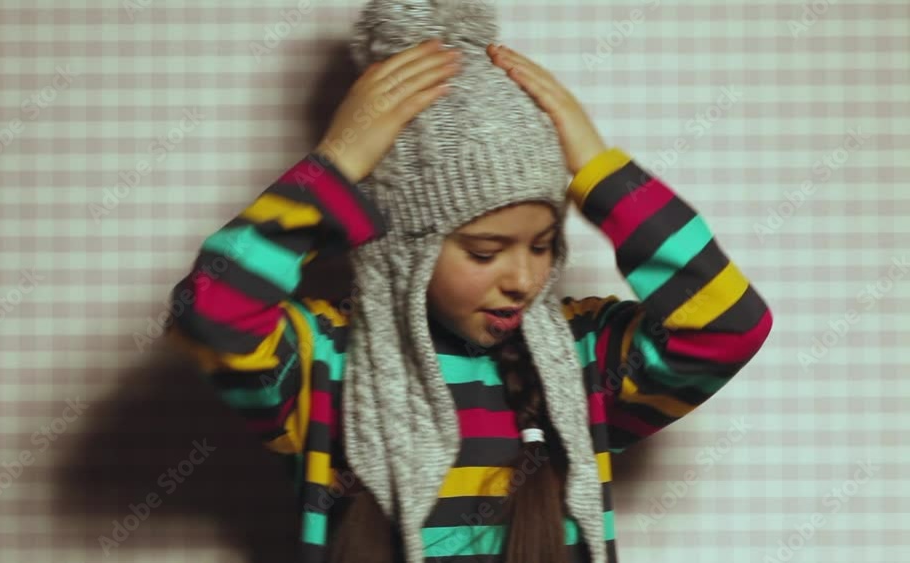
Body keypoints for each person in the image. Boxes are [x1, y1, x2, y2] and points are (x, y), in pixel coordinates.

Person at [163, 2, 773, 562]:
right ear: (406, 248)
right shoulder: (324, 360)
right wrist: (335, 165)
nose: (523, 279)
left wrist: (600, 172)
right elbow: (210, 312)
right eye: (485, 252)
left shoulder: (583, 359)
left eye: (543, 245)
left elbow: (728, 326)